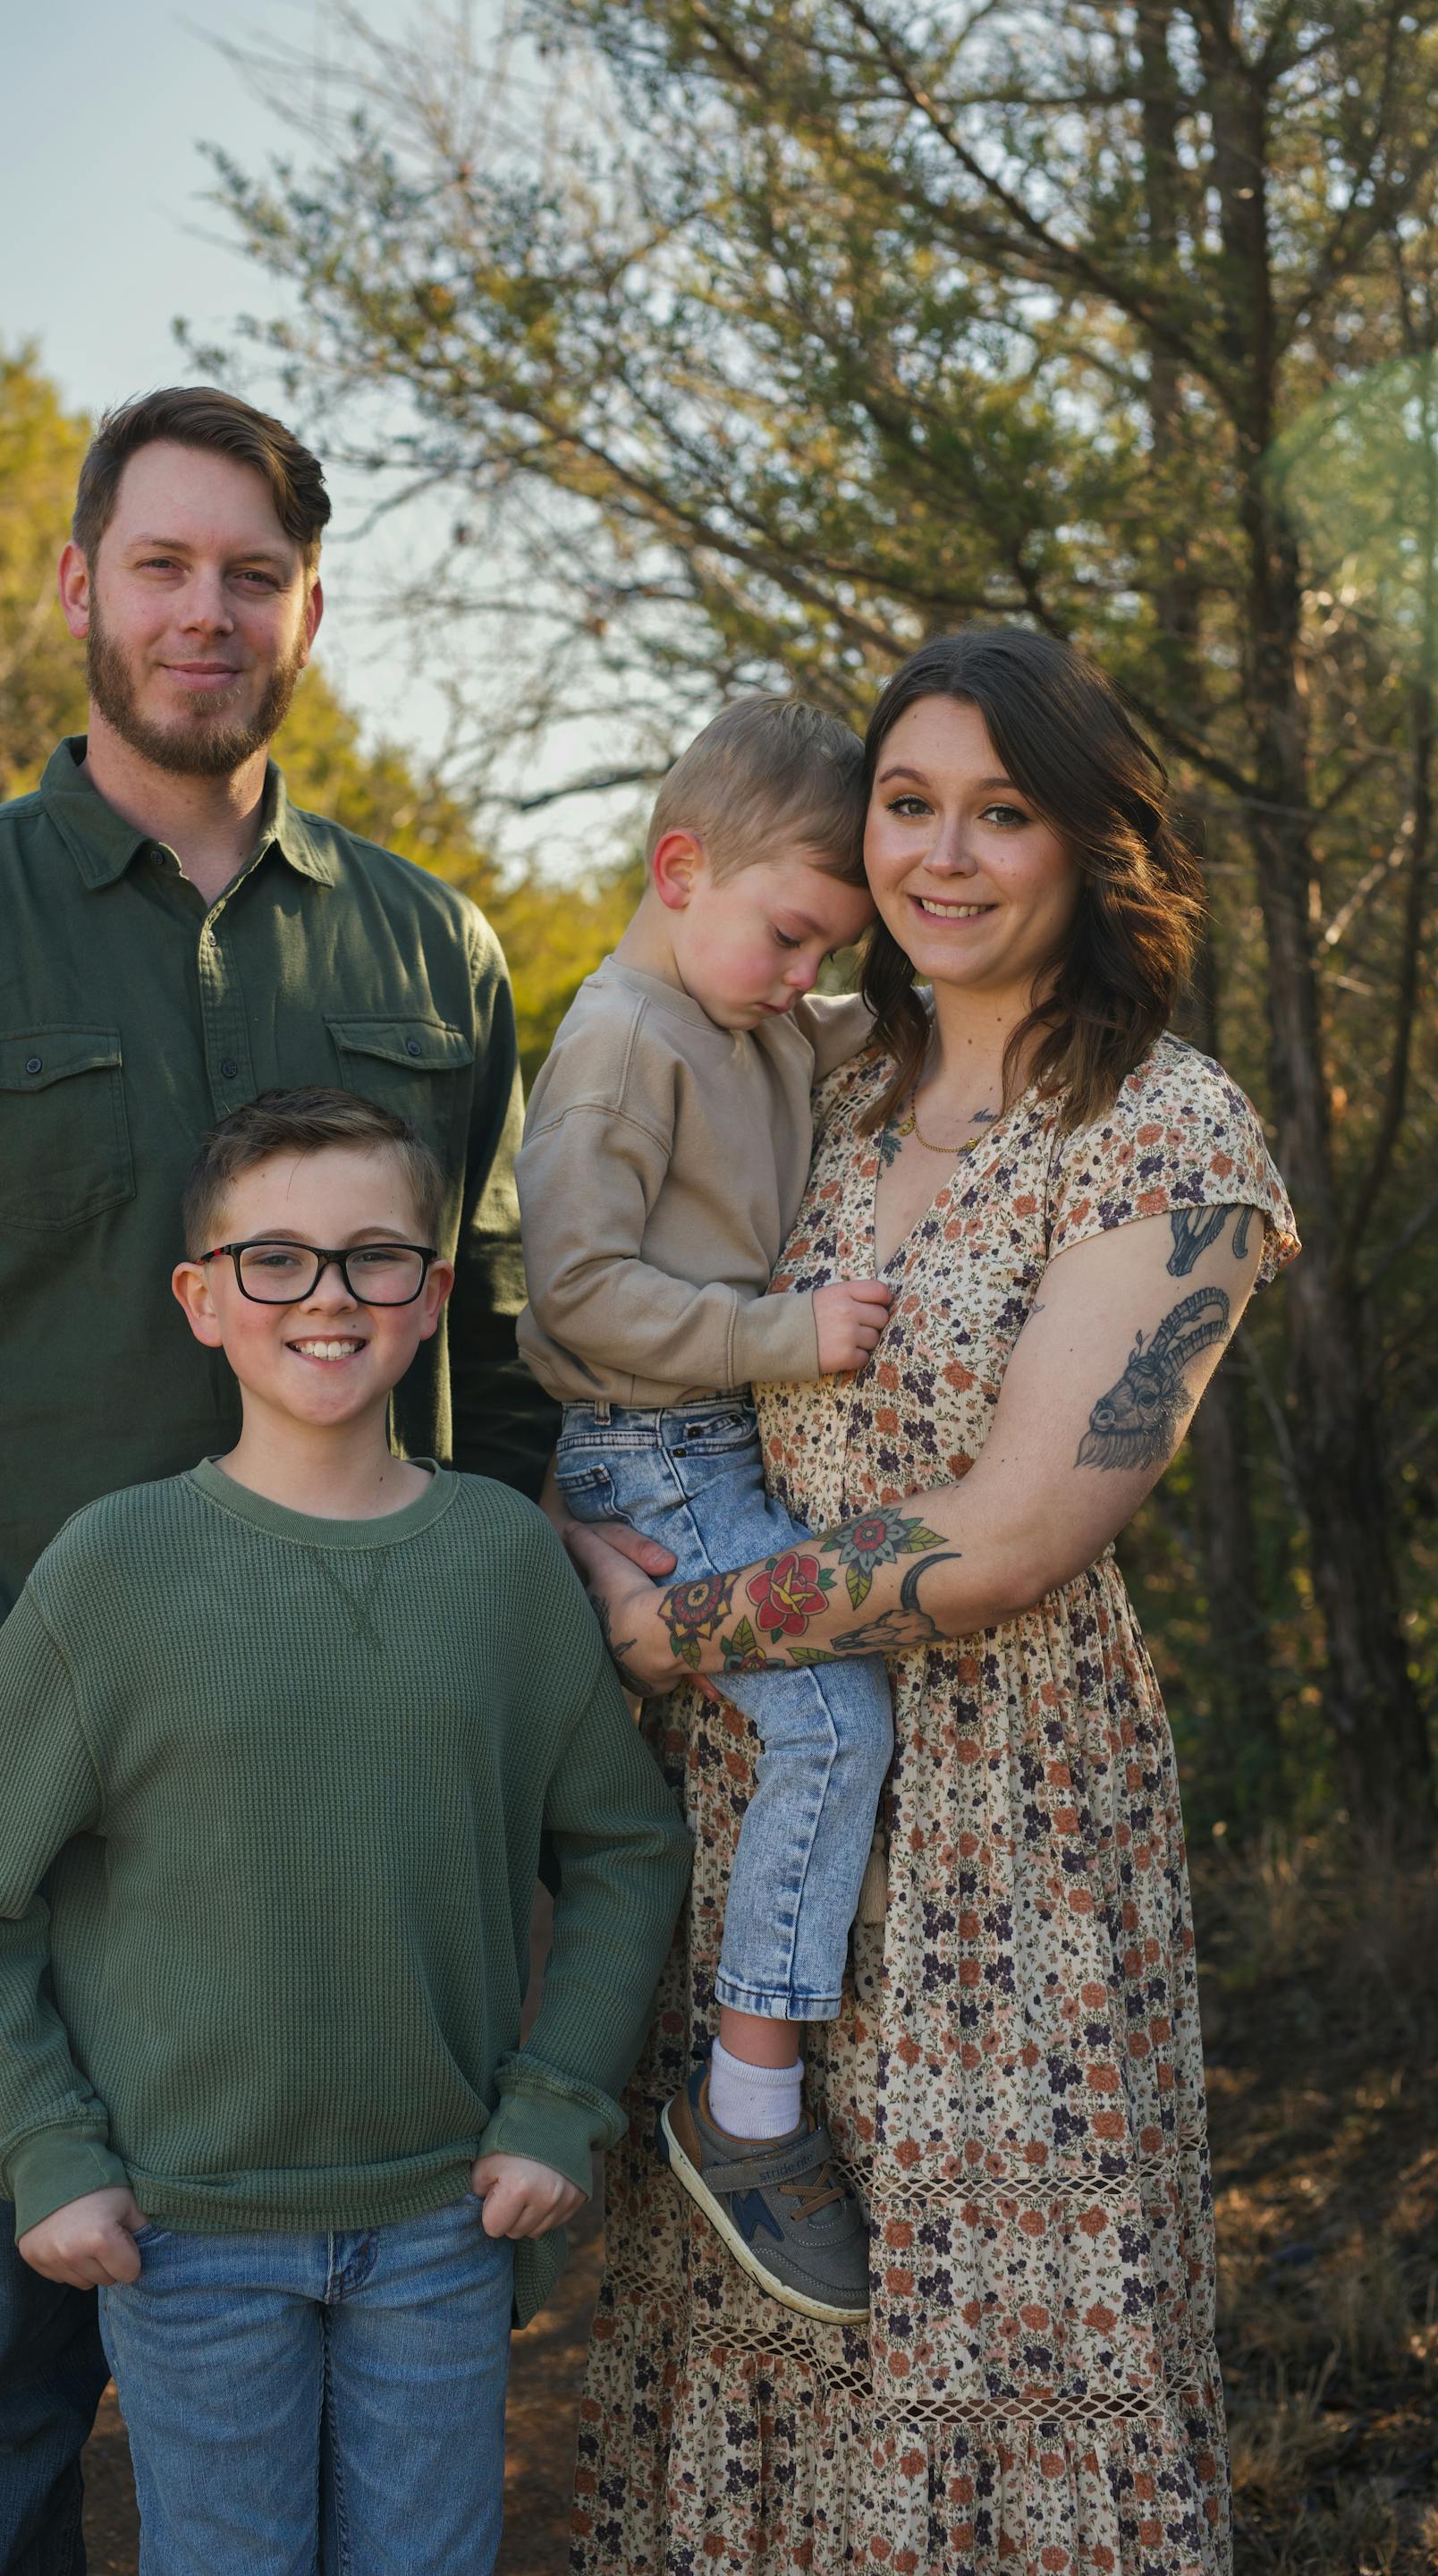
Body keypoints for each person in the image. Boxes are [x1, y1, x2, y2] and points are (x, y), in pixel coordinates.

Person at [0, 386, 563, 2576]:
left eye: (256, 576)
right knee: (1, 2368)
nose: (210, 613)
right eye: (167, 565)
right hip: (27, 1784)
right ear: (79, 583)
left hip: (377, 1810)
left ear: (312, 611)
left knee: (374, 2340)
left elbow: (496, 1359)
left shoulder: (430, 951)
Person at [563, 627, 1299, 2575]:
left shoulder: (1174, 1133)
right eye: (908, 805)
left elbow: (1006, 1537)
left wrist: (667, 1635)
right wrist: (570, 1540)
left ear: (1089, 846)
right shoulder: (814, 1068)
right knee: (751, 2358)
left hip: (1011, 1841)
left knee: (1004, 2337)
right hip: (753, 1808)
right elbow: (608, 1304)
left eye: (1004, 811)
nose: (944, 856)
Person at [0, 1086, 689, 2576]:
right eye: (276, 1259)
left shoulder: (503, 1565)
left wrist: (559, 2096)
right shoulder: (115, 1571)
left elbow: (628, 1850)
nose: (327, 1296)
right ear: (204, 1299)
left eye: (376, 1256)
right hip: (189, 2233)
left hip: (448, 2219)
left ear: (434, 1293)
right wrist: (48, 2151)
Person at [518, 695, 897, 2323]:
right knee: (829, 1716)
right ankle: (746, 2104)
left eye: (827, 949)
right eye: (792, 936)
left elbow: (881, 1021)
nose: (808, 973)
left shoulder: (752, 1017)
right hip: (651, 1456)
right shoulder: (619, 1048)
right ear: (683, 868)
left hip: (722, 1444)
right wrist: (777, 1336)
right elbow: (580, 1292)